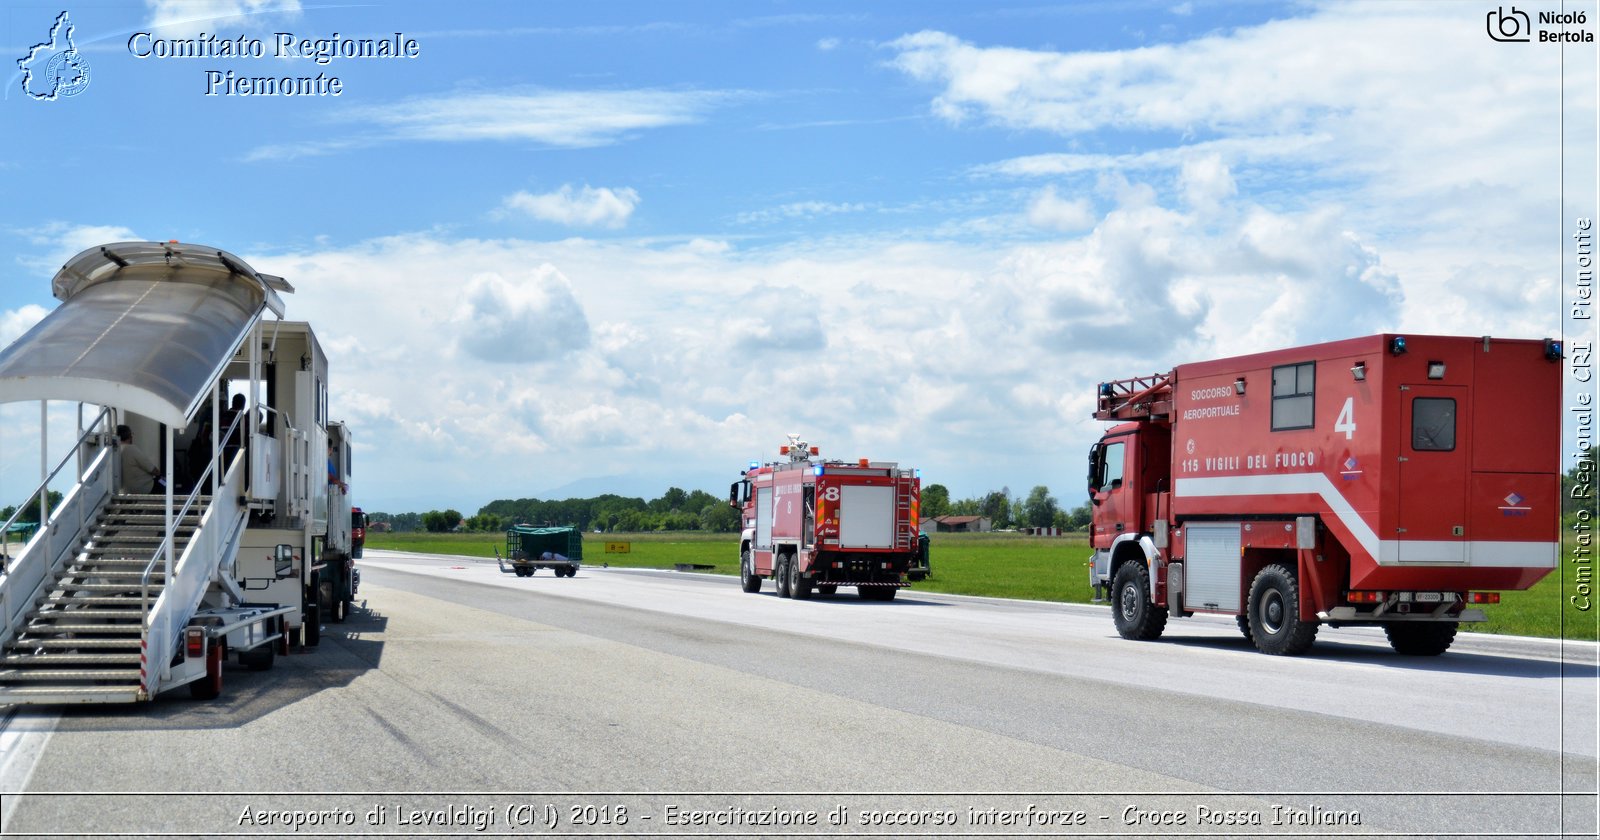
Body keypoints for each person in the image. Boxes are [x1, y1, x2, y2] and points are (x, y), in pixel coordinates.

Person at [117, 425, 162, 495]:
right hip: (144, 488)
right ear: (129, 436)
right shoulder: (130, 449)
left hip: (126, 490)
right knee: (166, 482)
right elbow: (153, 470)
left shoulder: (116, 450)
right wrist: (159, 474)